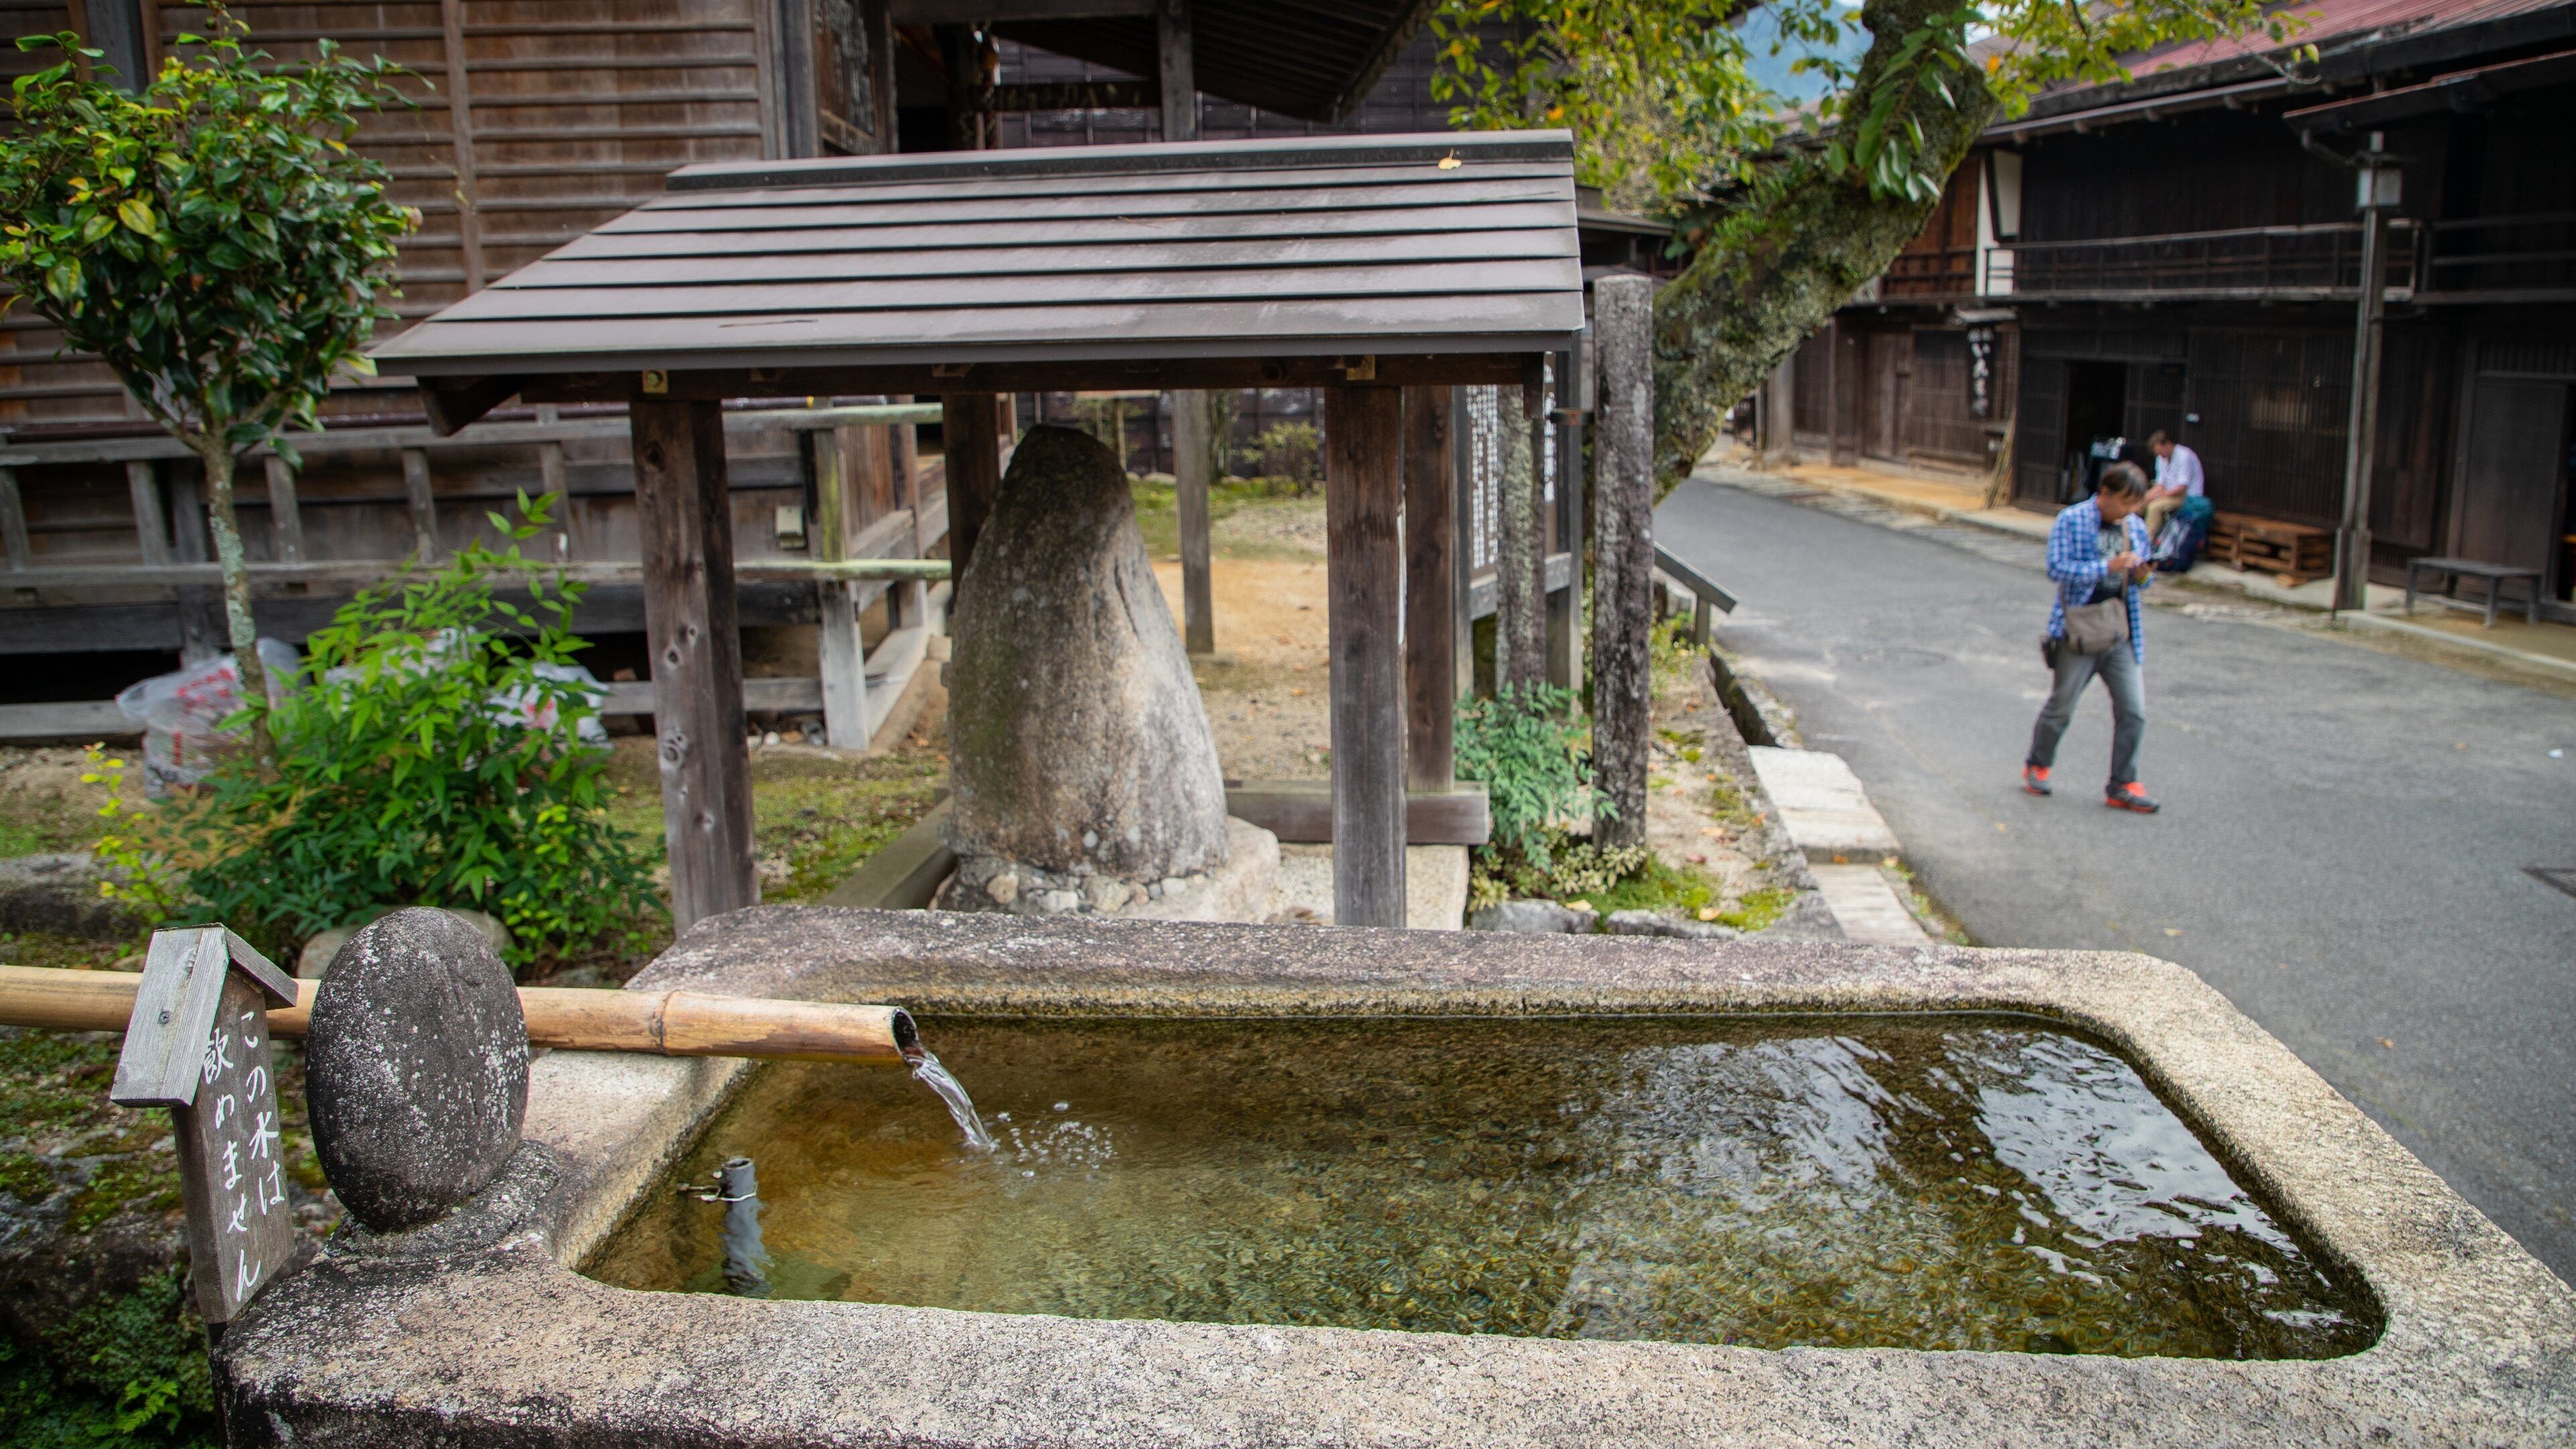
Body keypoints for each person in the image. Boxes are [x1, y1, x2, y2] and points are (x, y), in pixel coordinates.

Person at [2025, 462, 2159, 813]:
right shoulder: (2072, 520)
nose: (2129, 511)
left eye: (2135, 505)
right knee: (2061, 708)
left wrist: (2143, 574)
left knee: (2134, 711)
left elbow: (2143, 583)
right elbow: (2056, 569)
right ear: (2105, 494)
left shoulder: (2135, 526)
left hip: (2120, 630)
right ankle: (2037, 764)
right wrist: (2107, 567)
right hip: (2078, 631)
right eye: (2124, 503)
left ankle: (2123, 784)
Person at [2143, 429, 2204, 543]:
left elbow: (2182, 488)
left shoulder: (2184, 456)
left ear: (2168, 445)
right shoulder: (2161, 458)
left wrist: (2161, 495)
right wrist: (2147, 497)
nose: (2159, 455)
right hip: (2168, 493)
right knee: (2141, 502)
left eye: (2160, 451)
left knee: (2154, 507)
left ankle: (2148, 541)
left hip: (2187, 498)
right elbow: (2160, 484)